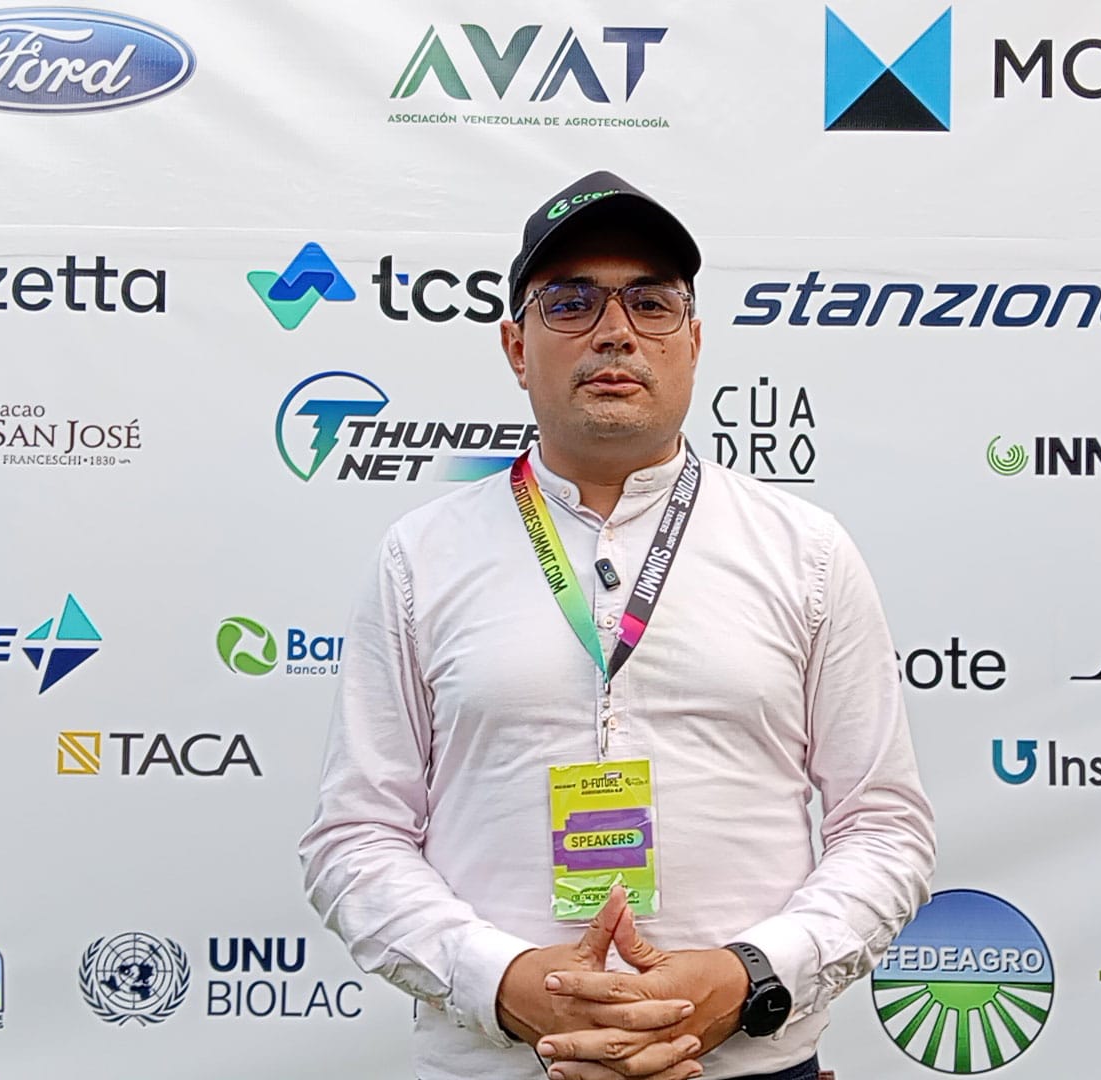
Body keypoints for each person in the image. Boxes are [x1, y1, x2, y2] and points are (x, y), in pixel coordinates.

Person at [299, 170, 934, 1080]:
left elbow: (884, 825)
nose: (614, 331)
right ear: (516, 347)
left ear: (694, 342)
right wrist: (501, 981)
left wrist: (753, 975)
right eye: (571, 303)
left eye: (651, 303)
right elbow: (354, 837)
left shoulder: (807, 551)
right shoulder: (421, 555)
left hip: (745, 1063)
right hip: (502, 1064)